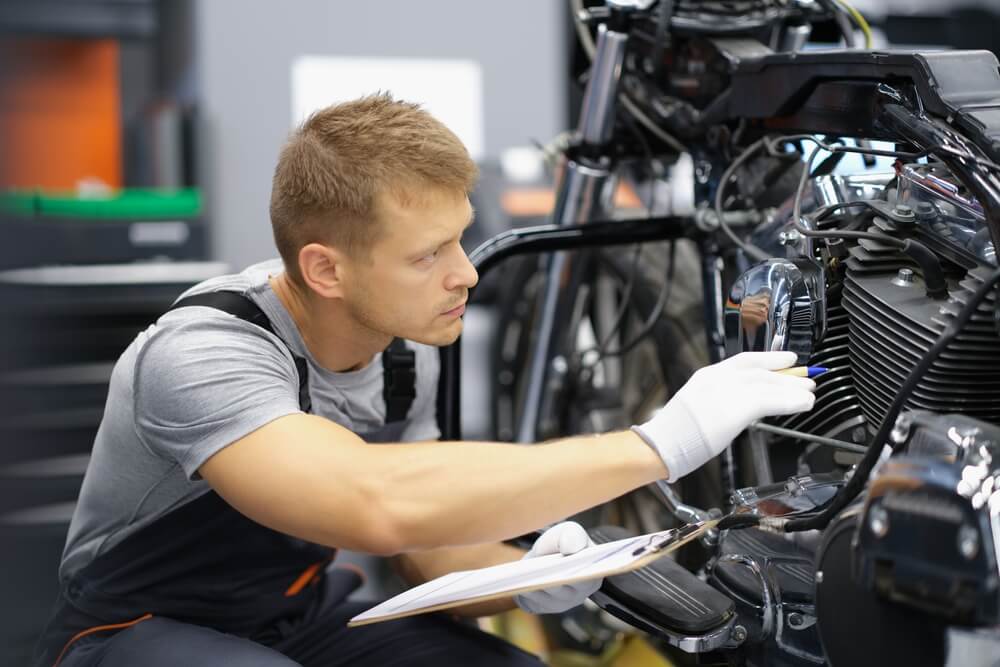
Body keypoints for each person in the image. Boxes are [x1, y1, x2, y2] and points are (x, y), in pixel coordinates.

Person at [35, 94, 816, 667]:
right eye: (427, 254)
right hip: (126, 629)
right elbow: (372, 501)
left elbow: (421, 545)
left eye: (461, 239)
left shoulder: (410, 342)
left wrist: (531, 576)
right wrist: (662, 442)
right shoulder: (203, 351)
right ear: (324, 269)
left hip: (297, 615)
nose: (467, 273)